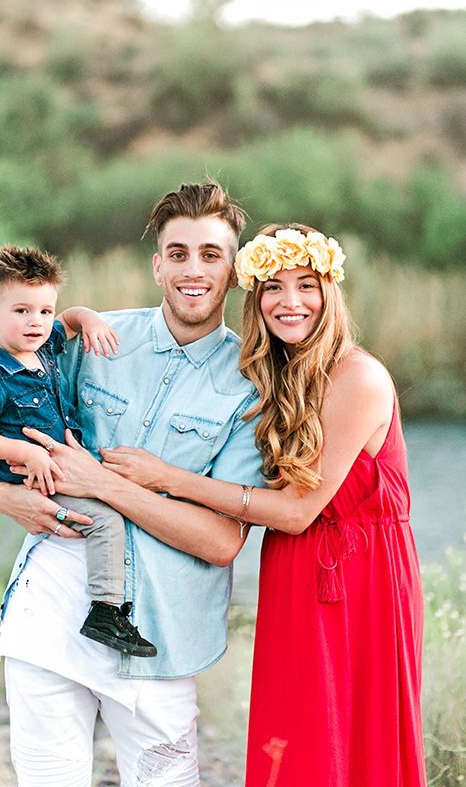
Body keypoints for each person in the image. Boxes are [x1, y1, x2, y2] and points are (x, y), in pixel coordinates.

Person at [101, 224, 427, 787]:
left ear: (330, 291)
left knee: (354, 744)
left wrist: (167, 479)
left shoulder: (359, 377)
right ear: (254, 299)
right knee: (295, 739)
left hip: (362, 580)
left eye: (307, 284)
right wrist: (81, 316)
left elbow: (299, 510)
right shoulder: (276, 376)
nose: (290, 301)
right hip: (295, 571)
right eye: (273, 287)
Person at [0, 181, 264, 787]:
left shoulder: (251, 388)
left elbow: (221, 542)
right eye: (179, 252)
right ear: (158, 265)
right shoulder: (93, 340)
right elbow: (2, 415)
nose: (194, 269)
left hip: (162, 639)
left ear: (235, 270)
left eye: (211, 254)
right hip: (51, 616)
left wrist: (107, 486)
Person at [0, 244, 157, 657]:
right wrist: (26, 453)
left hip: (59, 461)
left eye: (44, 311)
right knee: (104, 518)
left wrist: (89, 319)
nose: (38, 322)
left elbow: (70, 318)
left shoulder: (43, 348)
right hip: (33, 473)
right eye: (22, 311)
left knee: (120, 483)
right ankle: (105, 610)